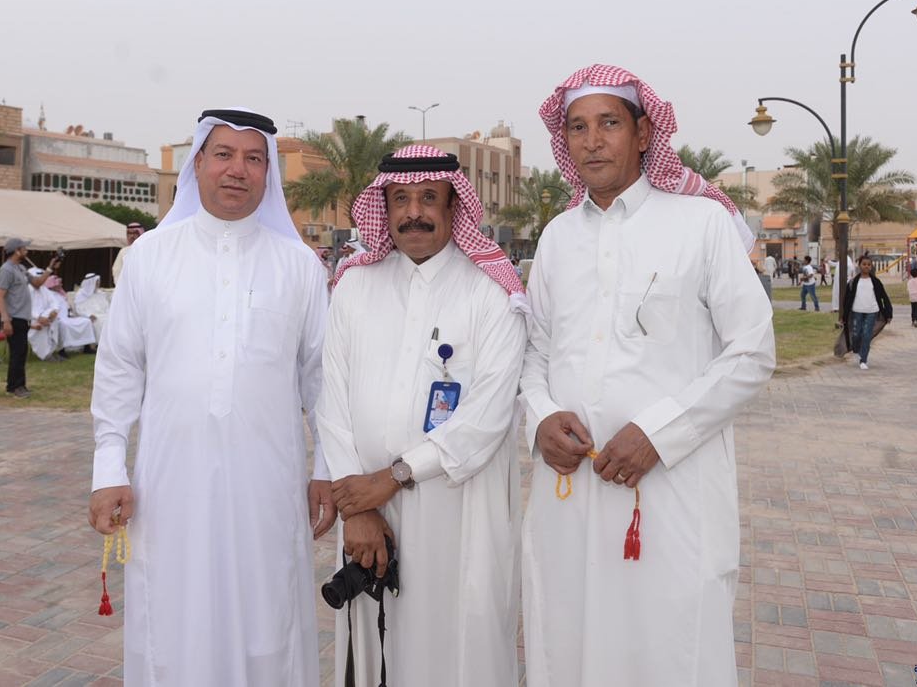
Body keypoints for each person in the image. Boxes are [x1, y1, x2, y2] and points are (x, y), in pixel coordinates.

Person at [521, 64, 775, 687]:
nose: (592, 141)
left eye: (609, 123)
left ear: (642, 133)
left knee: (669, 649)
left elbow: (752, 350)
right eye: (577, 127)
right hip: (571, 493)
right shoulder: (556, 238)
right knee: (569, 640)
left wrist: (659, 435)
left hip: (670, 494)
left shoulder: (700, 224)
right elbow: (535, 353)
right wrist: (540, 419)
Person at [88, 108, 333, 686]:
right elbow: (119, 368)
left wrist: (326, 467)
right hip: (169, 485)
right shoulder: (150, 257)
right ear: (196, 164)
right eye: (223, 154)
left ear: (268, 173)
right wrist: (108, 468)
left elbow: (321, 378)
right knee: (174, 619)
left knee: (268, 616)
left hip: (268, 486)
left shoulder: (299, 265)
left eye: (254, 158)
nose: (237, 170)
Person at [317, 145, 528, 687]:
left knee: (460, 644)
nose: (414, 212)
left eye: (429, 198)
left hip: (460, 507)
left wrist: (393, 477)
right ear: (383, 209)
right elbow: (332, 401)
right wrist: (358, 507)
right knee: (378, 648)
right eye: (401, 199)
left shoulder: (490, 290)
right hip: (367, 508)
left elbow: (488, 416)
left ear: (455, 206)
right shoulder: (355, 285)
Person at [0, 237, 55, 398]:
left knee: (21, 352)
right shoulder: (6, 270)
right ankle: (16, 387)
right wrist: (5, 320)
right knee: (17, 352)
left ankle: (16, 385)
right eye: (24, 248)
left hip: (23, 317)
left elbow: (37, 283)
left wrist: (50, 268)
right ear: (16, 251)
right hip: (14, 317)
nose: (26, 250)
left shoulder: (21, 268)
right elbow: (0, 296)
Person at [841, 255, 893, 370]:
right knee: (856, 334)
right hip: (857, 311)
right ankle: (856, 350)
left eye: (869, 265)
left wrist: (888, 313)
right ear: (859, 265)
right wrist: (843, 316)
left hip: (872, 311)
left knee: (866, 335)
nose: (866, 266)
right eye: (864, 264)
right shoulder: (853, 282)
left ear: (871, 266)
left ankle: (863, 360)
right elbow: (846, 300)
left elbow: (884, 297)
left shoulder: (876, 282)